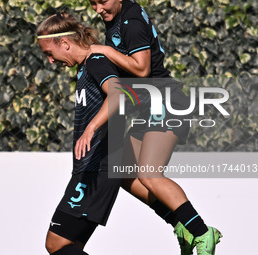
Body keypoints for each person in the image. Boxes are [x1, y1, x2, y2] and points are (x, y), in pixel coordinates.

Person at [86, 0, 223, 254]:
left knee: (149, 174)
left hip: (165, 103)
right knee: (123, 173)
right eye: (92, 3)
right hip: (148, 107)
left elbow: (141, 68)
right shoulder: (119, 17)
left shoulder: (131, 21)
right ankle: (183, 225)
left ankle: (203, 233)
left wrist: (104, 50)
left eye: (102, 1)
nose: (97, 9)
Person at [37, 12, 124, 255]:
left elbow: (118, 94)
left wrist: (91, 128)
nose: (51, 61)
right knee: (71, 246)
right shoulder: (86, 67)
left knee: (56, 243)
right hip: (93, 167)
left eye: (49, 53)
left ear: (64, 43)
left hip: (97, 168)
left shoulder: (95, 61)